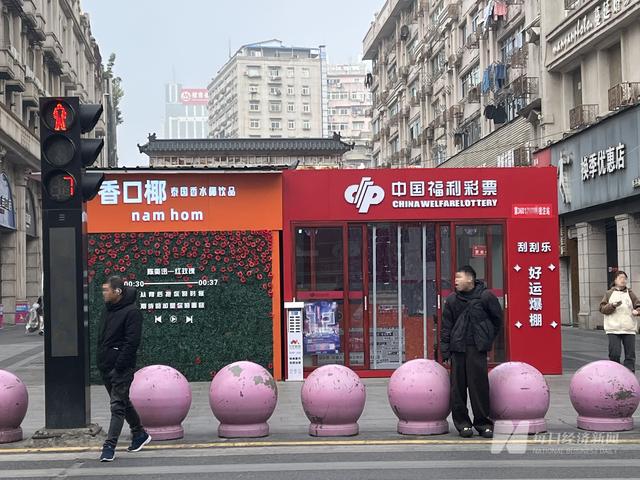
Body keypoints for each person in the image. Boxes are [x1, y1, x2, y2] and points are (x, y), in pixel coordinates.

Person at [440, 265, 503, 439]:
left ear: (470, 279)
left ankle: (483, 424)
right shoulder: (452, 300)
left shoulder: (486, 297)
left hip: (477, 349)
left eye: (459, 277)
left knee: (479, 388)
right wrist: (445, 351)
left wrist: (487, 338)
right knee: (458, 389)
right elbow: (446, 327)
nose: (455, 281)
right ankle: (463, 424)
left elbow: (497, 320)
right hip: (458, 350)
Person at [97, 276, 151, 462]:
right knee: (123, 402)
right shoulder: (108, 309)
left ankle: (109, 446)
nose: (104, 293)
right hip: (106, 366)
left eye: (106, 290)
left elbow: (131, 343)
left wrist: (119, 366)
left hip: (121, 368)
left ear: (117, 291)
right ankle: (139, 433)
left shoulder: (132, 312)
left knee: (117, 406)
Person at [599, 271, 640, 372]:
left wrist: (637, 311)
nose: (623, 280)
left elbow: (638, 306)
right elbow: (602, 309)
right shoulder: (609, 293)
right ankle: (615, 373)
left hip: (629, 328)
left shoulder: (630, 293)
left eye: (625, 278)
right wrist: (612, 306)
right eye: (620, 278)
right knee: (614, 354)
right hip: (613, 328)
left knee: (630, 355)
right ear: (615, 280)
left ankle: (629, 374)